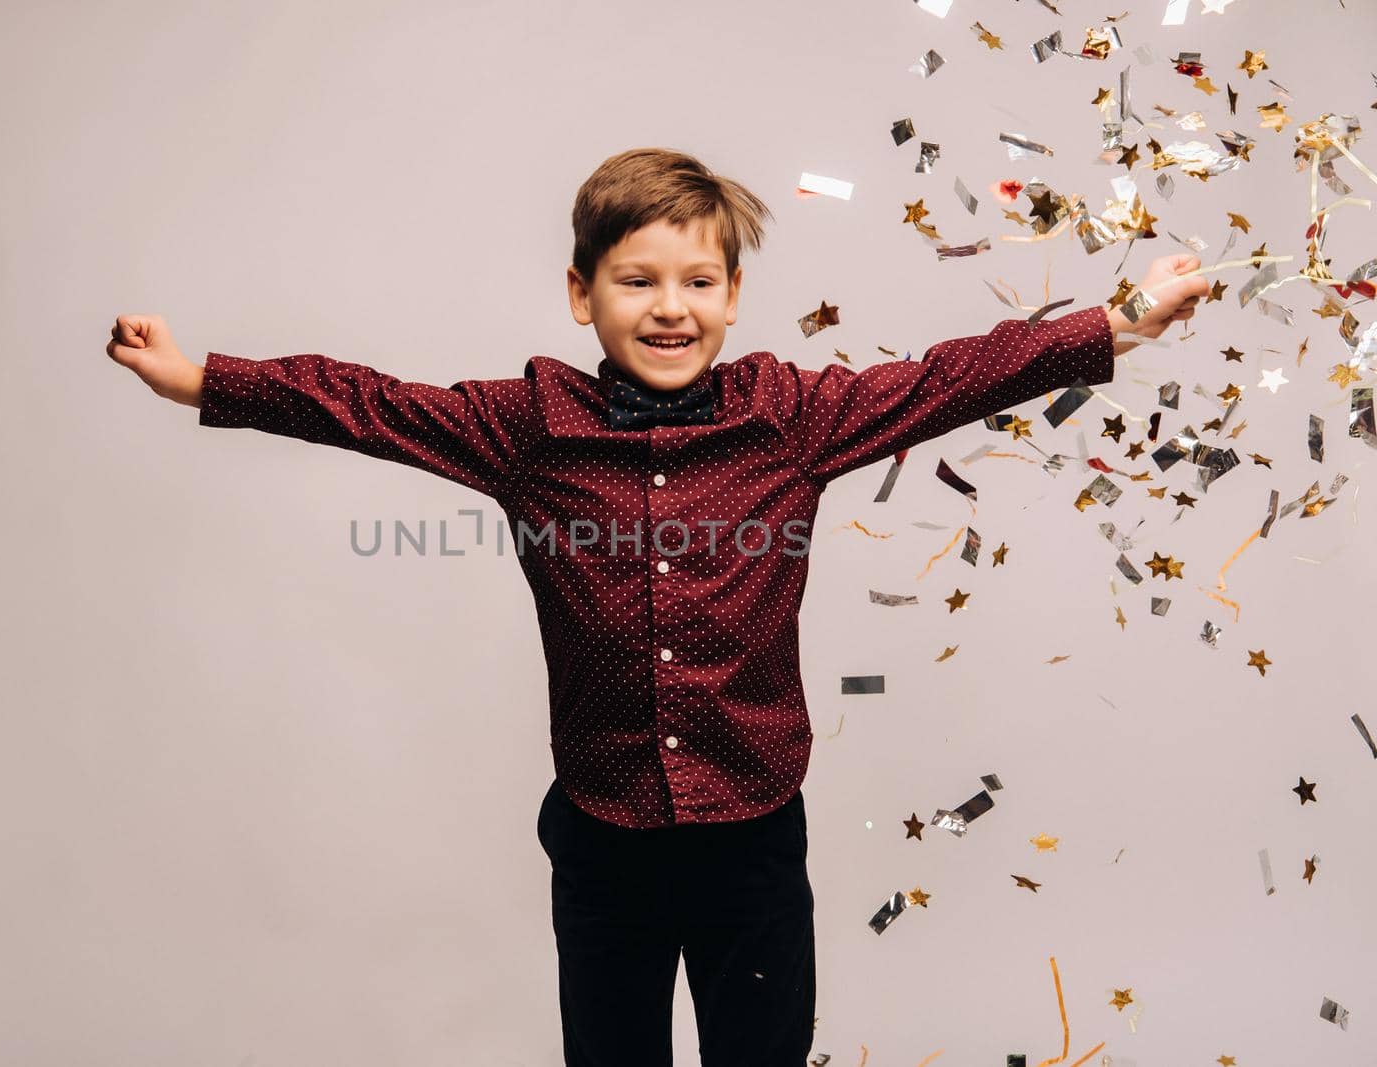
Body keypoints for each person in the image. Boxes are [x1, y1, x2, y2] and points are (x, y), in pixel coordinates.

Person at [104, 147, 1207, 1066]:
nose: (668, 308)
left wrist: (1124, 320)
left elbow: (949, 375)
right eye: (636, 281)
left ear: (732, 296)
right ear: (581, 294)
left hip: (753, 833)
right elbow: (371, 402)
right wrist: (205, 379)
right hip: (603, 835)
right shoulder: (527, 427)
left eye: (696, 283)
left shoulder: (793, 417)